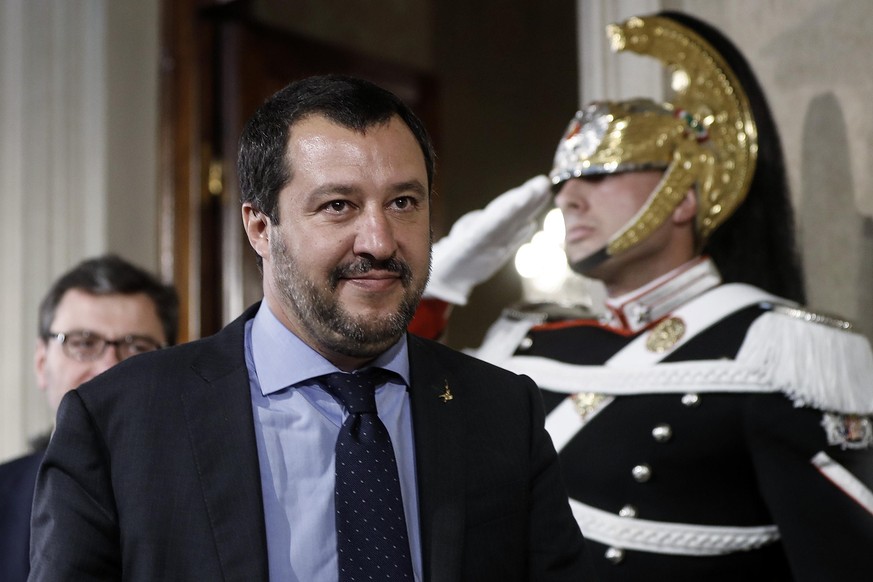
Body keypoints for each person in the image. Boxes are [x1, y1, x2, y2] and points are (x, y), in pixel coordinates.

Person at [28, 74, 593, 581]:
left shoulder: (501, 410)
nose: (379, 241)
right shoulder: (118, 421)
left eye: (402, 202)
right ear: (260, 227)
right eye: (338, 206)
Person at [429, 11, 873, 581]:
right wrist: (435, 287)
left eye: (601, 173)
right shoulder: (529, 338)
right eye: (565, 183)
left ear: (682, 197)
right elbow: (416, 430)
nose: (569, 200)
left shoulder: (776, 350)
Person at [0, 254, 178, 582]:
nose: (108, 368)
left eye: (137, 347)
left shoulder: (207, 497)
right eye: (83, 343)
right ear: (42, 364)